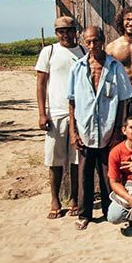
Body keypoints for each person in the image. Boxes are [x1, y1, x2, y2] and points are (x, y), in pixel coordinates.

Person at [68, 25, 132, 230]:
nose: (92, 45)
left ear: (103, 40)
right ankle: (85, 214)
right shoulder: (77, 67)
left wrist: (118, 131)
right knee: (85, 174)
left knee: (109, 174)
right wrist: (73, 131)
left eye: (95, 40)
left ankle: (109, 211)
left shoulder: (115, 67)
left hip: (108, 131)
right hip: (85, 130)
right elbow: (71, 101)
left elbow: (123, 100)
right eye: (88, 41)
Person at [35, 16, 86, 219]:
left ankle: (74, 198)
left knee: (75, 160)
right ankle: (55, 199)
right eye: (61, 31)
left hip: (80, 114)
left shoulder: (83, 52)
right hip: (56, 113)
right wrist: (42, 113)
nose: (65, 34)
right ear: (56, 33)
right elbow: (40, 84)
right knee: (54, 160)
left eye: (69, 30)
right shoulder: (49, 52)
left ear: (76, 31)